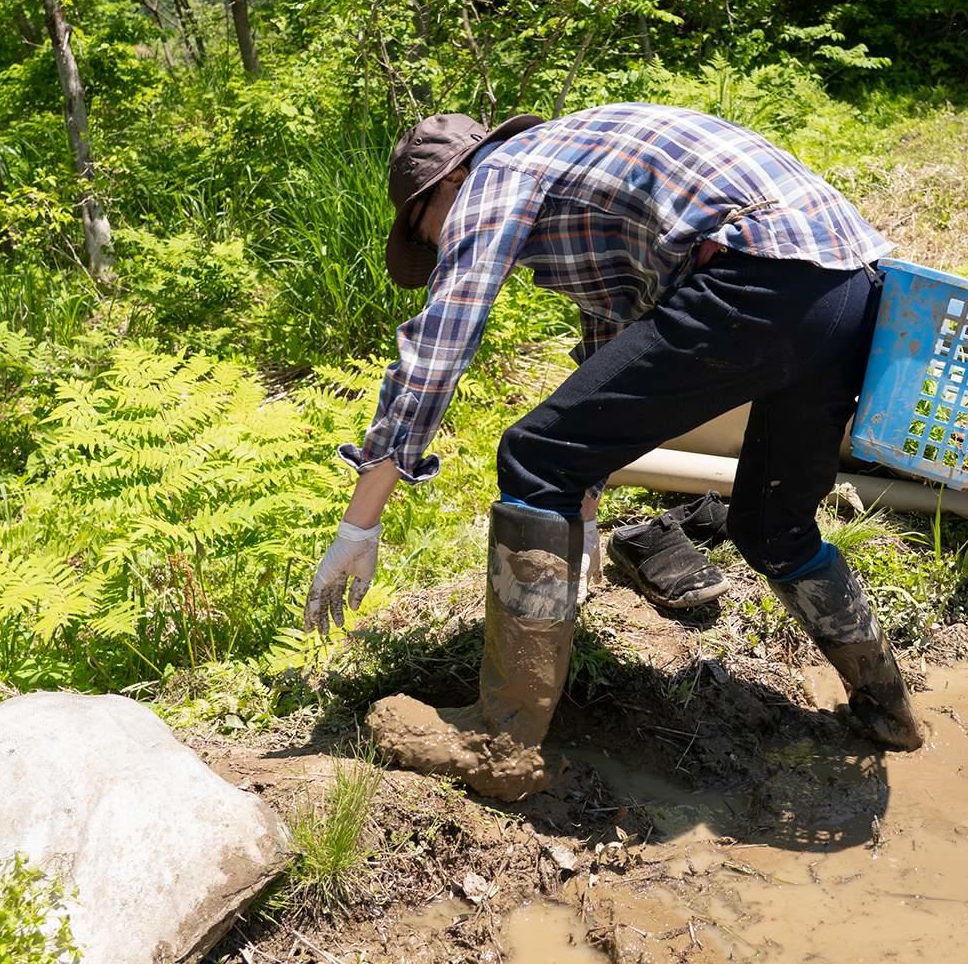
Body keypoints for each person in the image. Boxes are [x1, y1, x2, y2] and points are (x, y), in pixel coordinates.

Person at [305, 102, 927, 800]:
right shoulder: (575, 170)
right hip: (850, 287)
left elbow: (439, 348)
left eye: (428, 232)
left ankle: (499, 743)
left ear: (447, 182)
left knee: (534, 455)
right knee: (771, 528)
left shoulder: (496, 175)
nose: (440, 247)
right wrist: (585, 507)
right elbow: (613, 352)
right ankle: (890, 711)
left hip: (762, 272)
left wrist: (360, 524)